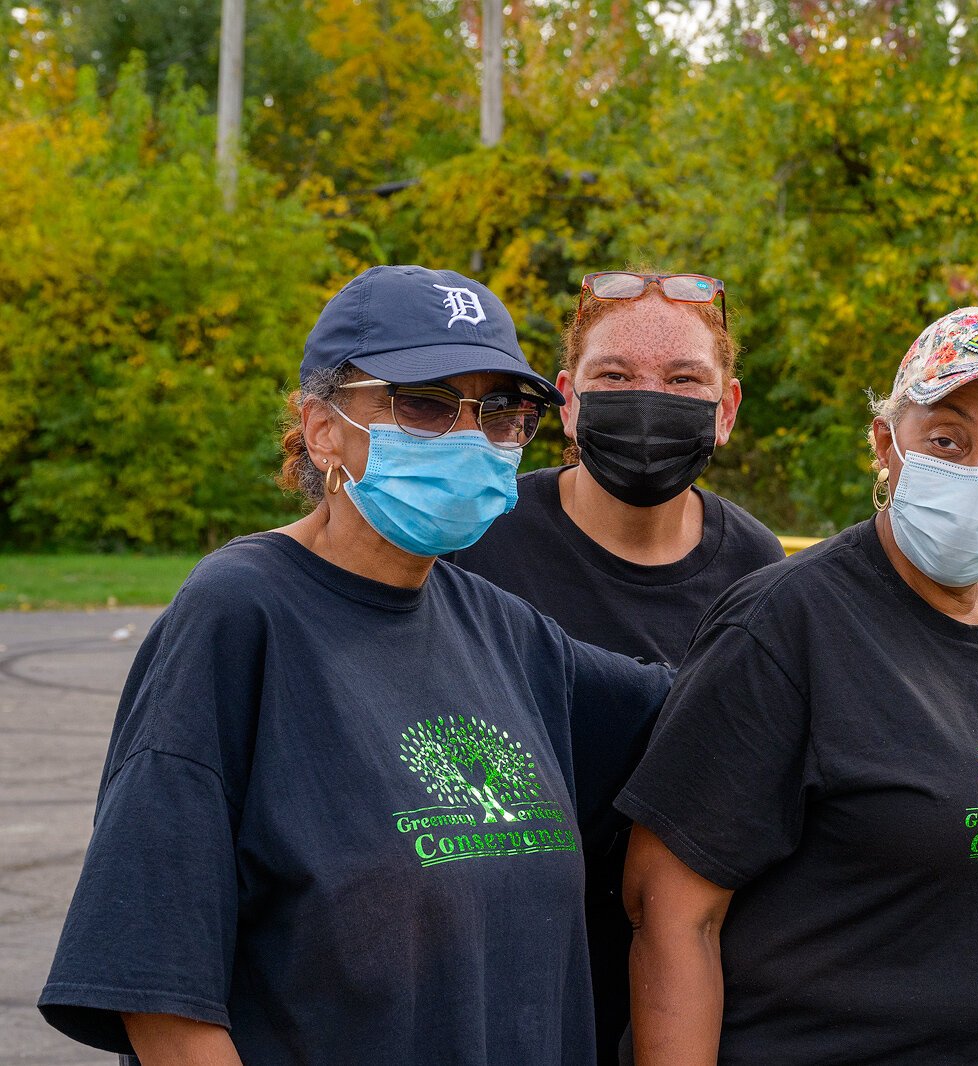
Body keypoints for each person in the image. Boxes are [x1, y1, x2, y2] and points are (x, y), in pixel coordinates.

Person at [38, 265, 672, 1065]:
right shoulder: (241, 618)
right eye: (426, 403)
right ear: (322, 428)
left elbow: (719, 708)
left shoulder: (506, 633)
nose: (471, 436)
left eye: (502, 410)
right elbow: (162, 997)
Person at [618, 306, 978, 1065]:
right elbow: (670, 914)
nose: (977, 476)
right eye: (948, 440)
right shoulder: (787, 622)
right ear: (888, 443)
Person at [449, 269, 784, 1065]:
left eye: (682, 379)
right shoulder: (475, 542)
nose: (648, 399)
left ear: (726, 408)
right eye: (615, 376)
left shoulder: (759, 570)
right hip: (500, 980)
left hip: (682, 991)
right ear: (567, 400)